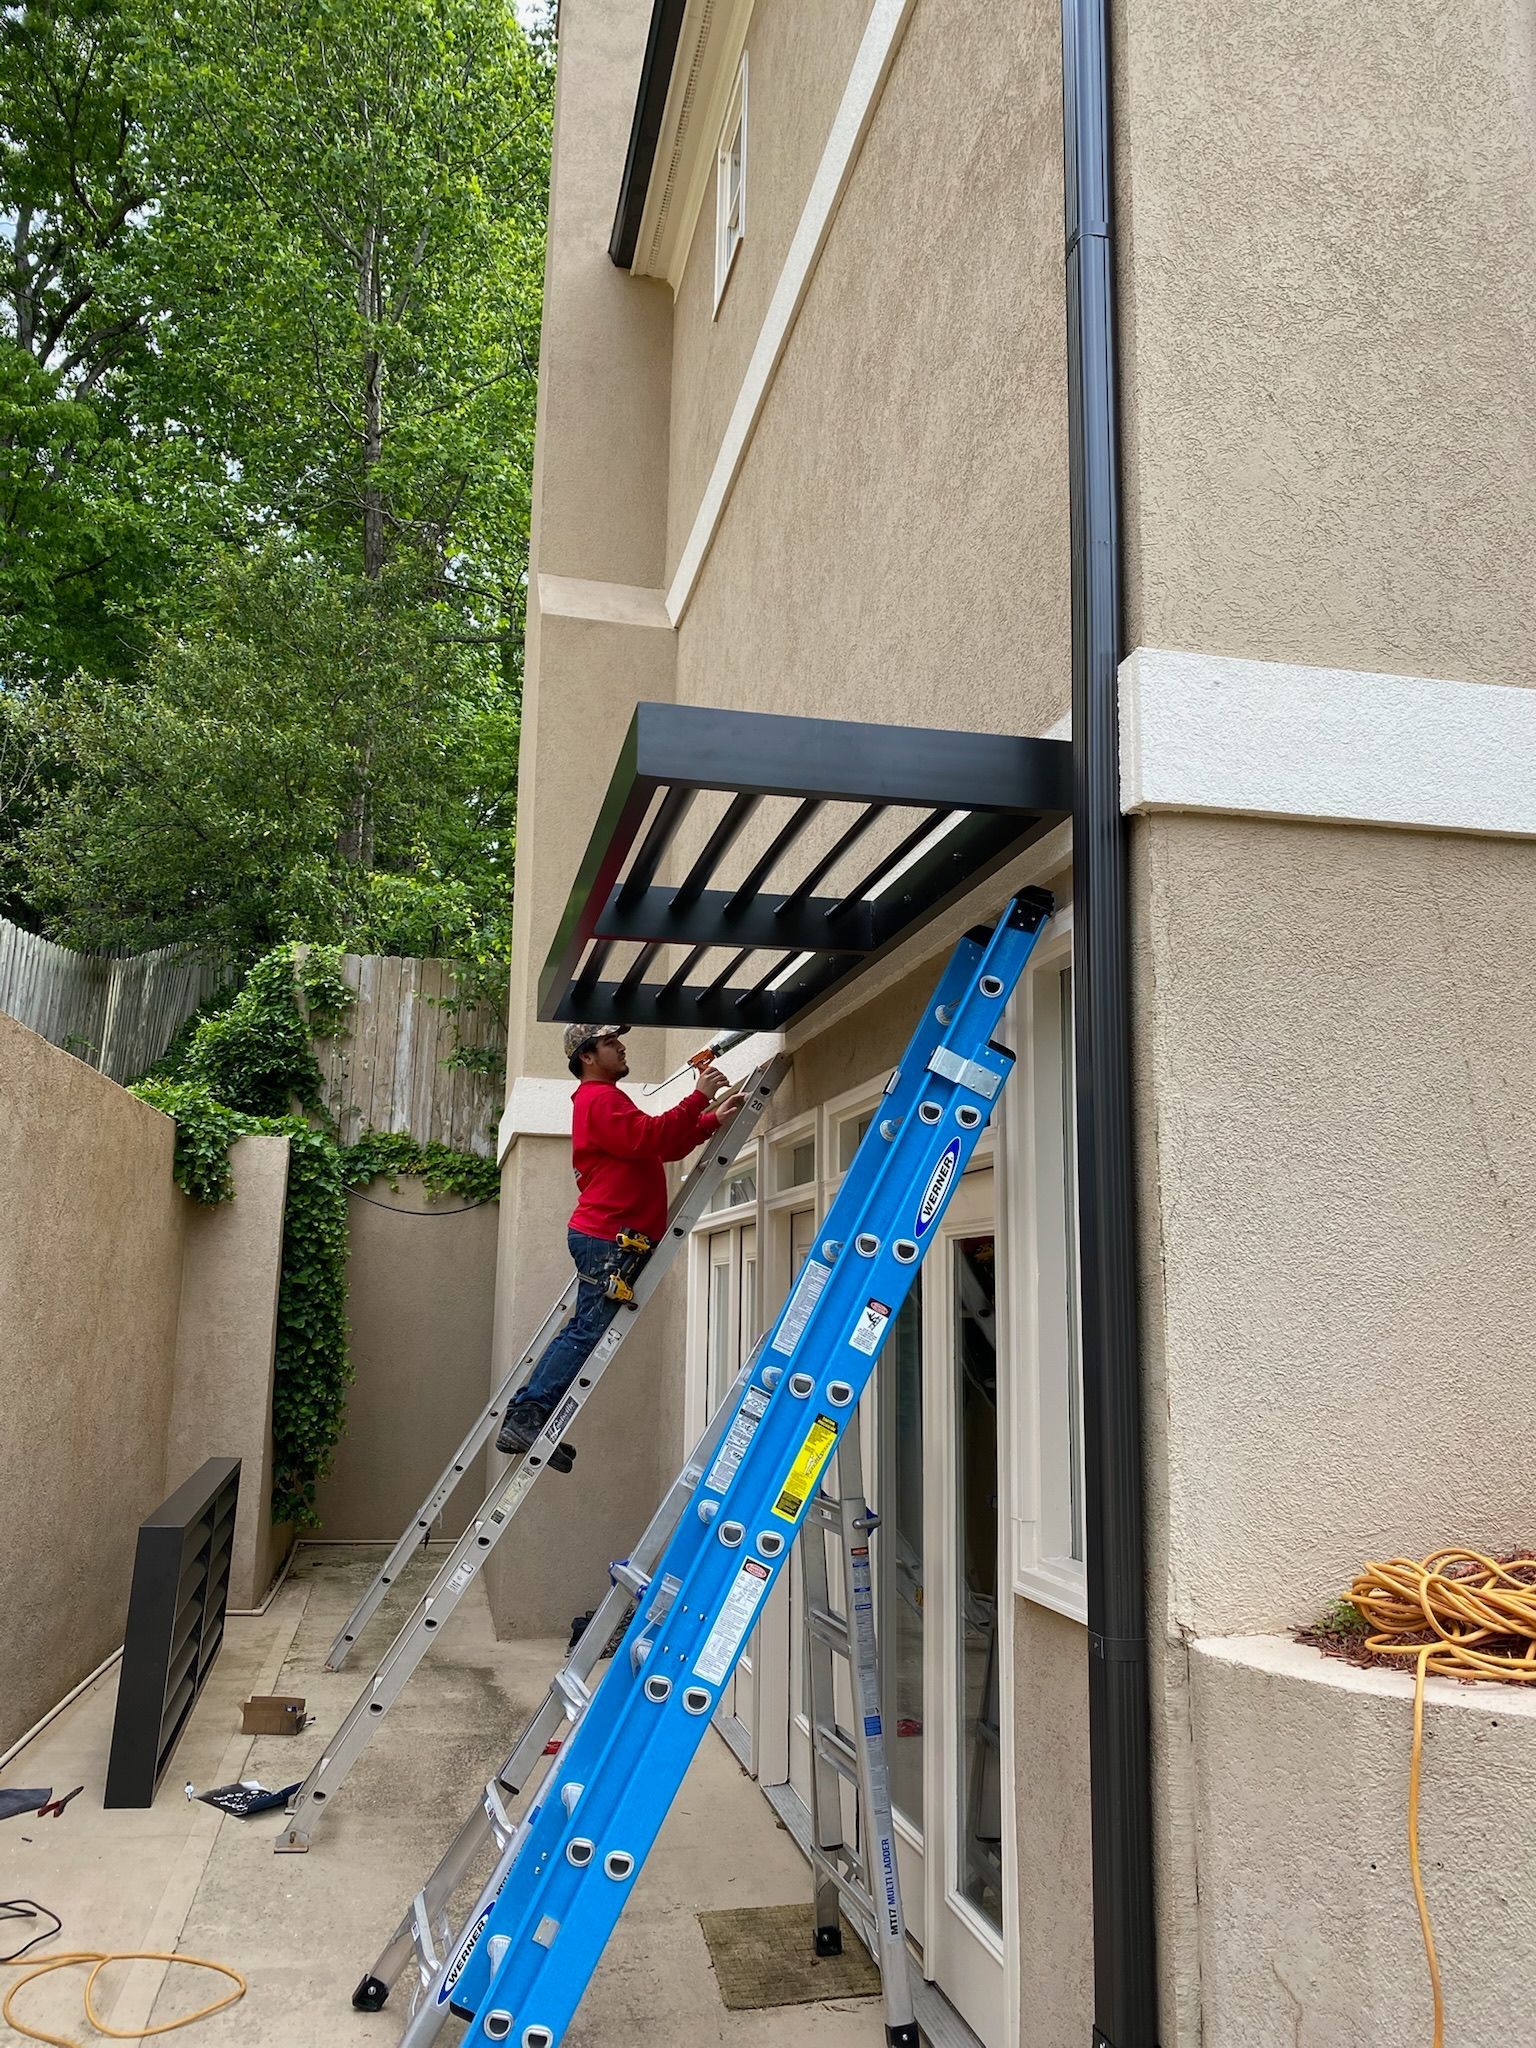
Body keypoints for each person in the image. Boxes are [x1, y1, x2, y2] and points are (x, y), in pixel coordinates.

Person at [495, 1022, 745, 1455]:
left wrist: (710, 1121)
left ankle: (527, 1413)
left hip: (609, 1235)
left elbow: (660, 1148)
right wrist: (700, 1094)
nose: (621, 1046)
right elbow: (650, 1136)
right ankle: (527, 1417)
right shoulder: (599, 1099)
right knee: (587, 1331)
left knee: (583, 1328)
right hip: (610, 1237)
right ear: (587, 1057)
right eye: (610, 1043)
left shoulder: (604, 1100)